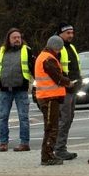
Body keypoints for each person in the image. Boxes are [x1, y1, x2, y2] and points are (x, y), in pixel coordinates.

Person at [0, 27, 34, 152]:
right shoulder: (1, 51)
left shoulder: (27, 51)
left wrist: (37, 85)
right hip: (5, 90)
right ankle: (3, 143)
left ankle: (24, 143)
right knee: (2, 117)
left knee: (23, 117)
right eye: (14, 38)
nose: (17, 40)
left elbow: (34, 68)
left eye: (19, 37)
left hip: (21, 89)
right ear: (9, 39)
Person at [33, 36, 72, 165]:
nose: (60, 51)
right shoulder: (49, 59)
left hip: (46, 97)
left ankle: (47, 155)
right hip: (50, 97)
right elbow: (58, 78)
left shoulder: (43, 56)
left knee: (50, 126)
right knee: (51, 128)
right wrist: (69, 83)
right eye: (59, 48)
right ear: (56, 47)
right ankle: (47, 156)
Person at [54, 23, 82, 160]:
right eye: (67, 33)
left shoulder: (70, 47)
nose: (70, 35)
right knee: (64, 120)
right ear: (60, 34)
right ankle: (59, 149)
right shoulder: (58, 48)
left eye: (72, 32)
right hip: (63, 89)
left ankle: (59, 147)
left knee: (68, 119)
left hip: (72, 88)